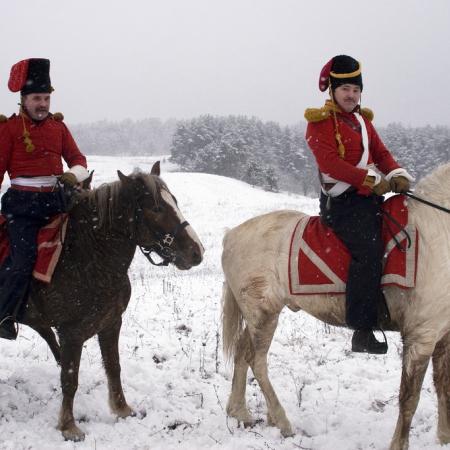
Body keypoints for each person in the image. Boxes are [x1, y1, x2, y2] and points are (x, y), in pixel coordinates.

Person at [304, 55, 413, 354]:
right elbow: (330, 164)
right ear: (333, 92)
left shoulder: (363, 122)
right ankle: (362, 330)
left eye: (355, 89)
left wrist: (396, 173)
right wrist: (367, 179)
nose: (351, 95)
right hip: (341, 204)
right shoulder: (320, 123)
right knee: (369, 251)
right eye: (345, 89)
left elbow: (380, 151)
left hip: (368, 199)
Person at [0, 58, 89, 340]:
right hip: (22, 209)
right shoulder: (8, 129)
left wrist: (73, 176)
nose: (43, 104)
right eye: (37, 98)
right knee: (23, 260)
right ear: (23, 100)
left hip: (57, 203)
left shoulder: (59, 128)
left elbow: (78, 159)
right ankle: (5, 314)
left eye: (46, 98)